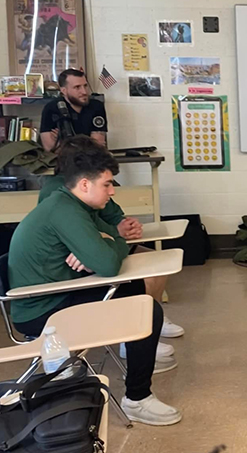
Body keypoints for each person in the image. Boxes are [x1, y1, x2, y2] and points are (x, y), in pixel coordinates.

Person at [7, 136, 182, 426]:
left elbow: (112, 242)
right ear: (85, 184)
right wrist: (108, 243)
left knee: (135, 289)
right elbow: (110, 263)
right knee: (148, 309)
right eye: (107, 184)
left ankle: (133, 353)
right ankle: (137, 399)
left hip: (52, 293)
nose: (112, 191)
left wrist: (107, 241)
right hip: (40, 310)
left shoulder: (76, 205)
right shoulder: (64, 210)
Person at [37, 143, 186, 356]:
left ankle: (151, 322)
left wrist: (124, 226)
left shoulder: (94, 186)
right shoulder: (58, 194)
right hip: (80, 258)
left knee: (155, 262)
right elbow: (77, 235)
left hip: (104, 244)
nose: (111, 190)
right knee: (132, 281)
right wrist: (112, 235)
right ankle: (133, 337)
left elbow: (113, 215)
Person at [39, 69, 108, 153]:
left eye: (85, 86)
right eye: (77, 87)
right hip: (62, 163)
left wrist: (63, 142)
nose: (84, 92)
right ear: (64, 90)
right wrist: (88, 142)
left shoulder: (96, 106)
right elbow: (49, 147)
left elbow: (97, 146)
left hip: (91, 163)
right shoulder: (51, 108)